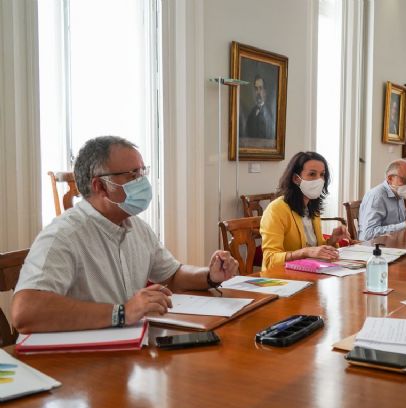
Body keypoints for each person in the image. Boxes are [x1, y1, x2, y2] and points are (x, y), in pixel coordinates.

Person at [11, 136, 239, 333]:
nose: (142, 182)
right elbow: (25, 311)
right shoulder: (64, 235)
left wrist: (210, 276)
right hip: (75, 368)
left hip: (125, 353)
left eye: (142, 172)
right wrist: (121, 313)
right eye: (131, 175)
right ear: (100, 186)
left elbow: (172, 274)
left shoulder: (135, 226)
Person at [260, 151, 350, 271]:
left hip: (310, 274)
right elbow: (269, 260)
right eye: (312, 174)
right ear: (296, 179)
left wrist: (332, 241)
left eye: (322, 174)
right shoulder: (276, 209)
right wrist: (303, 253)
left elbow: (315, 250)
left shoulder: (312, 207)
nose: (319, 180)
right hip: (283, 279)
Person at [358, 159, 406, 241]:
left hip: (393, 242)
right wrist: (405, 224)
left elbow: (400, 222)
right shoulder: (376, 196)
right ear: (390, 178)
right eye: (405, 180)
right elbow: (368, 234)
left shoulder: (397, 192)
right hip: (375, 248)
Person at [245, 74, 275, 139]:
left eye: (260, 88)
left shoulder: (270, 113)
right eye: (256, 89)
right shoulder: (251, 114)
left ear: (265, 91)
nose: (258, 92)